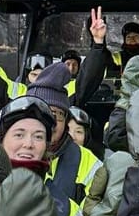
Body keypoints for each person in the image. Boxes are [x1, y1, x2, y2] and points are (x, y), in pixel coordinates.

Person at [24, 62, 102, 204]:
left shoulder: (89, 164)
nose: (49, 122)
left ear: (66, 121)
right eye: (41, 112)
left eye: (56, 114)